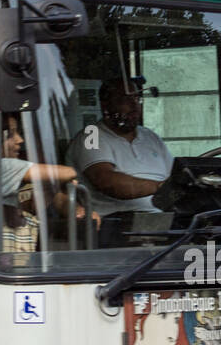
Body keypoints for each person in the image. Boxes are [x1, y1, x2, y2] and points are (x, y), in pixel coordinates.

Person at [66, 76, 175, 247]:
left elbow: (174, 175)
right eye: (125, 99)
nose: (134, 105)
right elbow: (105, 180)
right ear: (105, 105)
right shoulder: (91, 134)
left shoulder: (150, 136)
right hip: (116, 222)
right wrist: (161, 187)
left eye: (136, 98)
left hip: (158, 218)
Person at [0, 112, 97, 253]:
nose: (19, 140)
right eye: (10, 135)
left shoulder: (15, 175)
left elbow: (41, 200)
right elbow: (69, 172)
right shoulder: (3, 166)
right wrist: (60, 179)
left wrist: (77, 210)